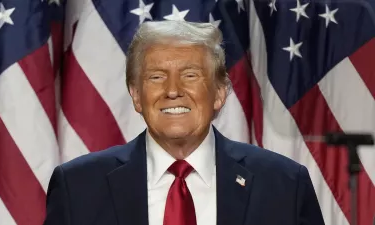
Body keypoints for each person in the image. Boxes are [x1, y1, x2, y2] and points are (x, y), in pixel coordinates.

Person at [43, 20, 325, 225]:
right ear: (136, 95)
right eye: (156, 77)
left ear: (218, 93)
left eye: (190, 75)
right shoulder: (78, 187)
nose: (173, 90)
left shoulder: (283, 184)